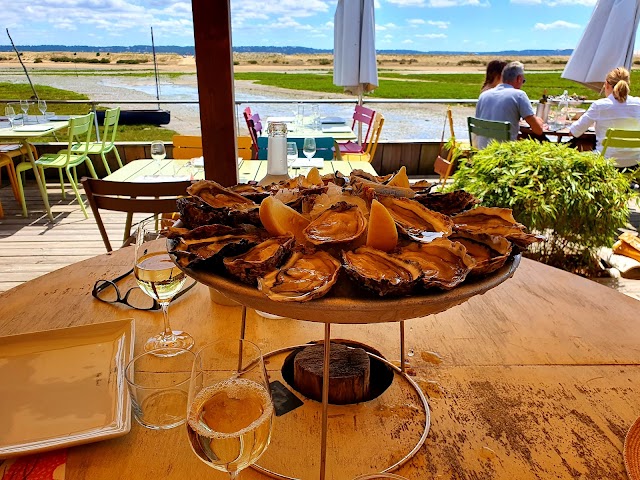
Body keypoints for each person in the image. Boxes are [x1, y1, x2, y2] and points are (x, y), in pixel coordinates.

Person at [570, 67, 640, 168]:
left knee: (578, 149)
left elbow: (574, 132)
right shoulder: (638, 104)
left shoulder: (600, 106)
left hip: (606, 163)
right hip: (635, 163)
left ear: (606, 84)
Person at [475, 61, 543, 150]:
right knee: (540, 142)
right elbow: (538, 130)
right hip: (504, 153)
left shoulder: (484, 95)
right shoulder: (519, 95)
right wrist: (539, 121)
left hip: (482, 151)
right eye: (523, 81)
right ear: (518, 78)